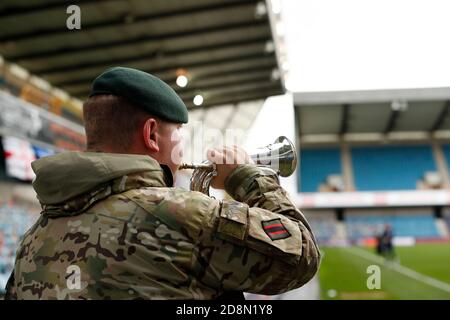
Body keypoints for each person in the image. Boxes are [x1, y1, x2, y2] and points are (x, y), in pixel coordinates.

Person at [5, 67, 321, 300]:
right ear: (151, 134)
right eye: (179, 135)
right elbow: (301, 256)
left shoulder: (34, 237)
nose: (182, 148)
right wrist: (246, 175)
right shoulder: (181, 215)